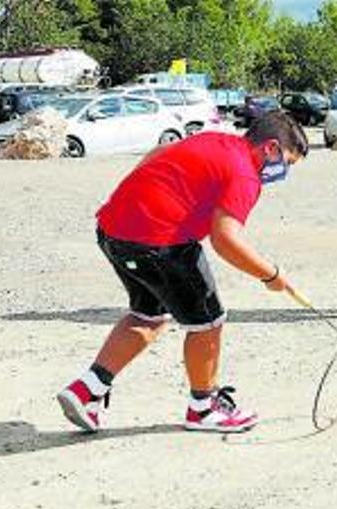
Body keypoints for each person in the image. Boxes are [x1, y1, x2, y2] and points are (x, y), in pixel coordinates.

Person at [56, 111, 309, 434]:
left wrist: (144, 193)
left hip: (112, 232)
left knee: (147, 315)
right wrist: (271, 275)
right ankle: (204, 408)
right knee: (208, 321)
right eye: (287, 162)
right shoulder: (246, 174)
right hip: (160, 242)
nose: (282, 173)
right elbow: (225, 239)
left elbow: (157, 154)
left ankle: (86, 391)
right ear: (271, 148)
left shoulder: (215, 139)